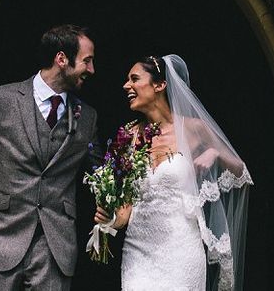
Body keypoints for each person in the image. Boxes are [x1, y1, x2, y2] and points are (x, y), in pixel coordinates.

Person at [0, 24, 100, 290]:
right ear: (62, 59)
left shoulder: (88, 117)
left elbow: (101, 175)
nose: (92, 70)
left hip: (54, 248)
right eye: (87, 61)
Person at [94, 54, 253, 291]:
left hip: (181, 249)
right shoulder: (128, 137)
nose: (126, 86)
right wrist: (110, 221)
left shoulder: (193, 128)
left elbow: (241, 172)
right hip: (138, 253)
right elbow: (124, 213)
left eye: (134, 79)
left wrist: (215, 153)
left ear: (159, 85)